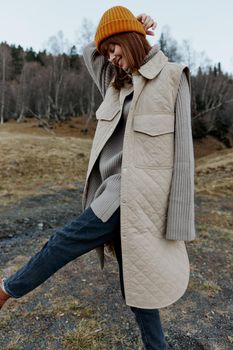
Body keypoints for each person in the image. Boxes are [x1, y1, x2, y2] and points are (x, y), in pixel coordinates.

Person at [0, 6, 196, 350]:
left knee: (64, 243)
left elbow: (184, 154)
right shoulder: (114, 84)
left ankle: (6, 290)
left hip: (138, 198)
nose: (111, 56)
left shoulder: (173, 77)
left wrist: (179, 222)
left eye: (115, 47)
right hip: (114, 191)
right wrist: (120, 33)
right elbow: (88, 52)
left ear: (129, 37)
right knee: (137, 284)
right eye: (107, 52)